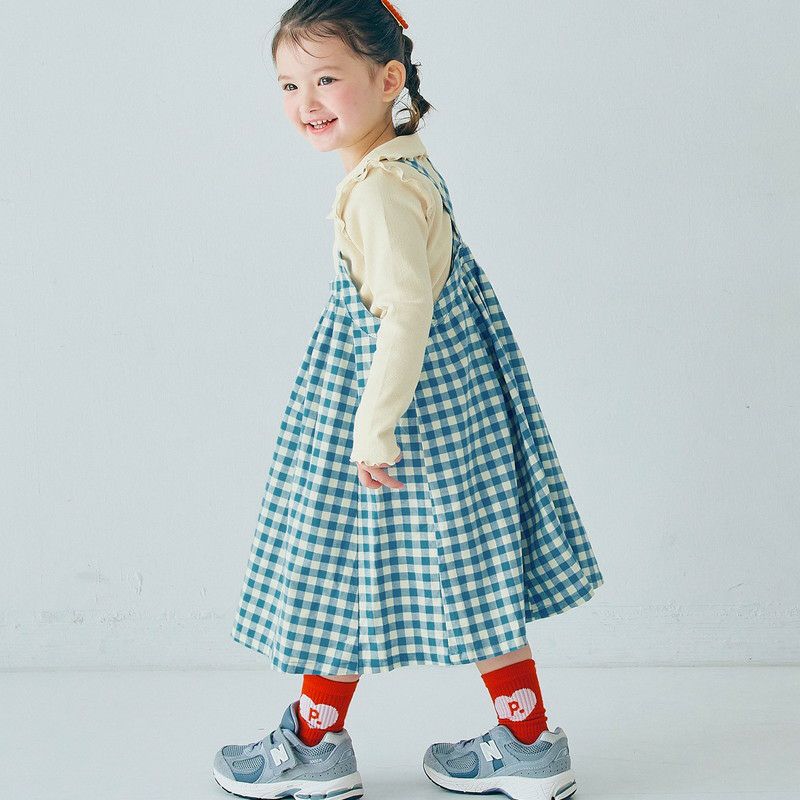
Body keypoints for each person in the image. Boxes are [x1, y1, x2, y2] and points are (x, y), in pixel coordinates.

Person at [212, 2, 604, 799]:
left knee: (334, 564)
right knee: (469, 568)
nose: (306, 102)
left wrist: (374, 428)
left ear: (388, 79)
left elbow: (405, 311)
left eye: (327, 79)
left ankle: (315, 747)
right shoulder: (403, 163)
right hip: (447, 407)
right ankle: (526, 740)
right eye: (288, 84)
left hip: (393, 413)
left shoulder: (379, 191)